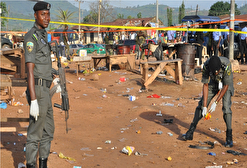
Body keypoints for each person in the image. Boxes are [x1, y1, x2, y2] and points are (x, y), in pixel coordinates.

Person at [24, 1, 56, 167]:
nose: (47, 18)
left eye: (48, 14)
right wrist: (34, 100)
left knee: (48, 129)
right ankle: (31, 164)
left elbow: (43, 64)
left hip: (46, 89)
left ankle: (43, 164)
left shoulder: (43, 36)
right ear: (35, 15)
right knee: (35, 132)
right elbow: (30, 70)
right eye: (43, 14)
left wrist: (53, 77)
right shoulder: (31, 37)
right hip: (37, 90)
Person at [182, 56, 234, 148]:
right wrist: (205, 106)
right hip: (213, 83)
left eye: (217, 72)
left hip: (226, 84)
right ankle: (190, 132)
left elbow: (226, 85)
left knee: (226, 109)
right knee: (201, 106)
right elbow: (205, 85)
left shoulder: (226, 65)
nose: (216, 73)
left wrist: (216, 102)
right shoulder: (206, 66)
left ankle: (229, 137)